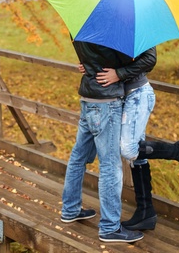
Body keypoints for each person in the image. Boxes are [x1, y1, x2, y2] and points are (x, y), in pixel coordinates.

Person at [94, 47, 179, 231]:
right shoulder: (110, 31)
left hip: (138, 95)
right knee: (136, 157)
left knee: (129, 149)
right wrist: (88, 65)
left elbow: (150, 60)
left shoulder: (134, 25)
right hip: (123, 98)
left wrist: (119, 74)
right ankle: (145, 212)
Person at [61, 41, 148, 243]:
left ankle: (70, 209)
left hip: (88, 98)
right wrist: (119, 72)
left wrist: (88, 65)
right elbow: (132, 61)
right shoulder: (111, 29)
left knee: (78, 157)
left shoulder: (81, 23)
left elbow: (90, 58)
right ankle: (109, 227)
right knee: (110, 165)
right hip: (106, 102)